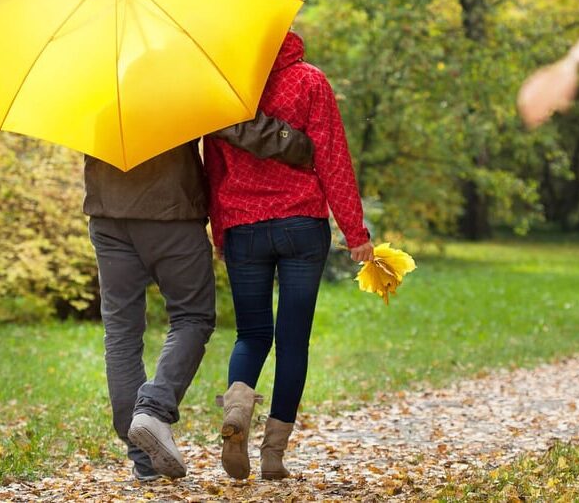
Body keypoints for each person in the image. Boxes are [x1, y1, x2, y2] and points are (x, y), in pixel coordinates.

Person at [85, 112, 313, 482]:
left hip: (106, 214)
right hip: (169, 211)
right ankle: (154, 410)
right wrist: (298, 144)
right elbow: (233, 124)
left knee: (122, 334)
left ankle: (144, 462)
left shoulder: (92, 79)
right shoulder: (177, 73)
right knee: (192, 317)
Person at [204, 31, 374, 480]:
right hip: (302, 226)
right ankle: (273, 455)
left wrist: (222, 234)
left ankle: (237, 413)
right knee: (292, 340)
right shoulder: (309, 81)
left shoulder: (225, 94)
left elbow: (213, 170)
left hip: (243, 226)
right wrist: (355, 232)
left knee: (251, 334)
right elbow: (333, 160)